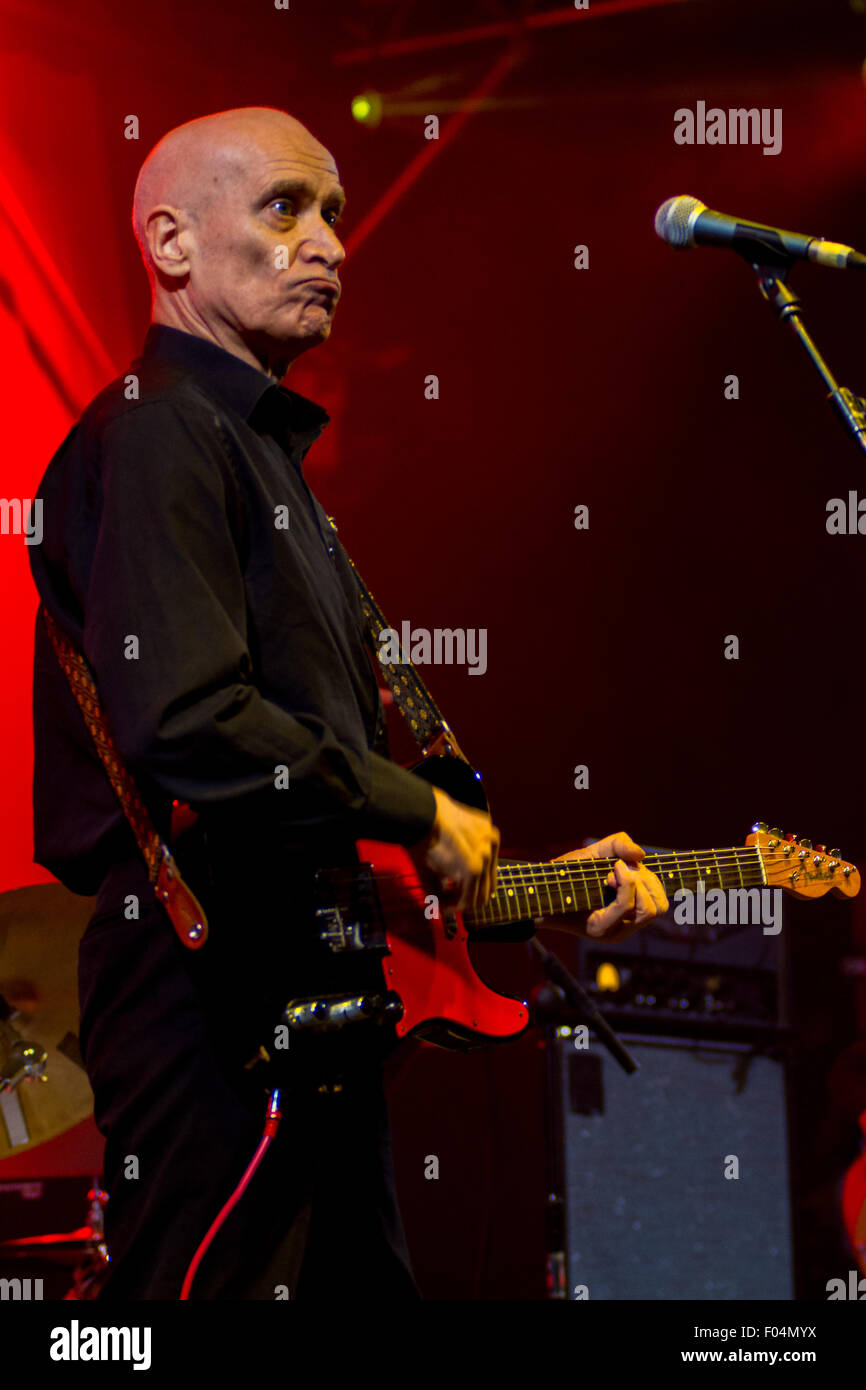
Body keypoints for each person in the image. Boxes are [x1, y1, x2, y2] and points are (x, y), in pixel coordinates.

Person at [28, 106, 668, 1300]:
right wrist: (413, 804)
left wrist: (539, 891)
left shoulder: (257, 458)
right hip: (210, 1003)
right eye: (283, 208)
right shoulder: (159, 429)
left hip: (307, 987)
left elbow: (303, 807)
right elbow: (187, 719)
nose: (327, 239)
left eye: (329, 210)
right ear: (171, 242)